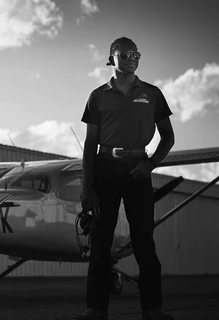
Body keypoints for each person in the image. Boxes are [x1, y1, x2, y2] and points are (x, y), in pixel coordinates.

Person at [77, 37, 175, 320]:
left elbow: (168, 137)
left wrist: (151, 164)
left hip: (138, 170)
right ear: (112, 58)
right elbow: (89, 144)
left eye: (136, 54)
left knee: (144, 240)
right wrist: (87, 186)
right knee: (100, 242)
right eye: (126, 53)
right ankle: (96, 310)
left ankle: (153, 310)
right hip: (105, 169)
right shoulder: (97, 96)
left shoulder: (153, 93)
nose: (132, 57)